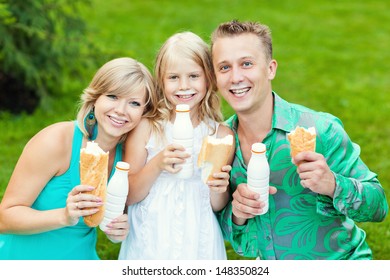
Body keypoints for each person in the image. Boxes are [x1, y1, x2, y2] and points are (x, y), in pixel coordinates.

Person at [210, 20, 388, 260]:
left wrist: (332, 184)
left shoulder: (320, 129)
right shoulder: (219, 143)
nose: (236, 77)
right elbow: (230, 235)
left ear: (271, 68)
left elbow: (378, 205)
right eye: (224, 68)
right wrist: (237, 214)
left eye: (247, 64)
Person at [0, 57, 158, 260]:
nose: (121, 110)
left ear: (143, 113)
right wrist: (64, 216)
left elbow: (112, 218)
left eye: (134, 103)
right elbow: (4, 217)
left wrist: (116, 231)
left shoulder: (127, 158)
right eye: (112, 96)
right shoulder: (56, 141)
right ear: (95, 98)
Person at [118, 32, 234, 260]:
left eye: (193, 76)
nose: (184, 86)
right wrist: (157, 163)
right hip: (151, 234)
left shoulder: (220, 135)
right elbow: (128, 194)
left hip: (198, 235)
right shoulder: (147, 128)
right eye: (173, 77)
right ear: (161, 80)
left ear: (208, 78)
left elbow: (217, 205)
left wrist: (219, 188)